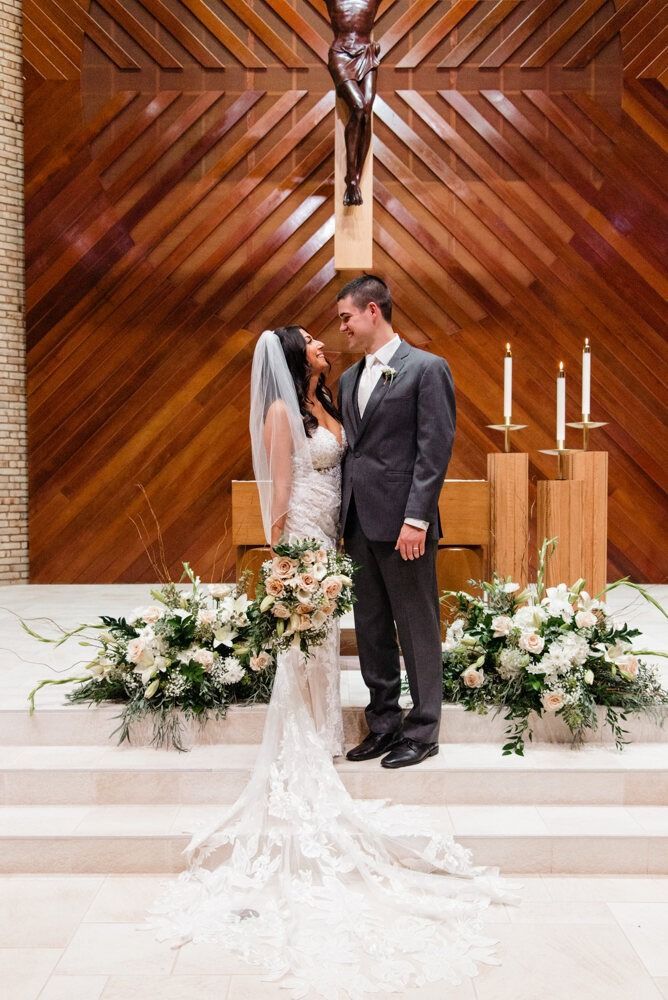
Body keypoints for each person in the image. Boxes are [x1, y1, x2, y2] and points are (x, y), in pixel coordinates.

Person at [148, 324, 514, 999]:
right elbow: (279, 493)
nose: (326, 343)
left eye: (330, 333)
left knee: (326, 649)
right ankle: (306, 740)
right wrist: (288, 560)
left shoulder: (330, 398)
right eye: (315, 341)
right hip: (308, 541)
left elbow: (359, 453)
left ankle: (328, 731)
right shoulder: (285, 410)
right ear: (296, 358)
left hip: (339, 536)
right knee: (308, 649)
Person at [338, 273, 456, 769]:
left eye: (345, 316)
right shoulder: (347, 380)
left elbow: (435, 448)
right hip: (359, 523)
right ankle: (383, 722)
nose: (340, 327)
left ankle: (424, 728)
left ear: (372, 311)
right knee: (370, 628)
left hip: (406, 524)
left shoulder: (426, 369)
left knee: (416, 625)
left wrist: (417, 518)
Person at [326, 0, 382, 205]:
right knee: (358, 107)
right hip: (340, 54)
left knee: (365, 112)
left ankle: (354, 179)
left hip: (367, 54)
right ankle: (351, 178)